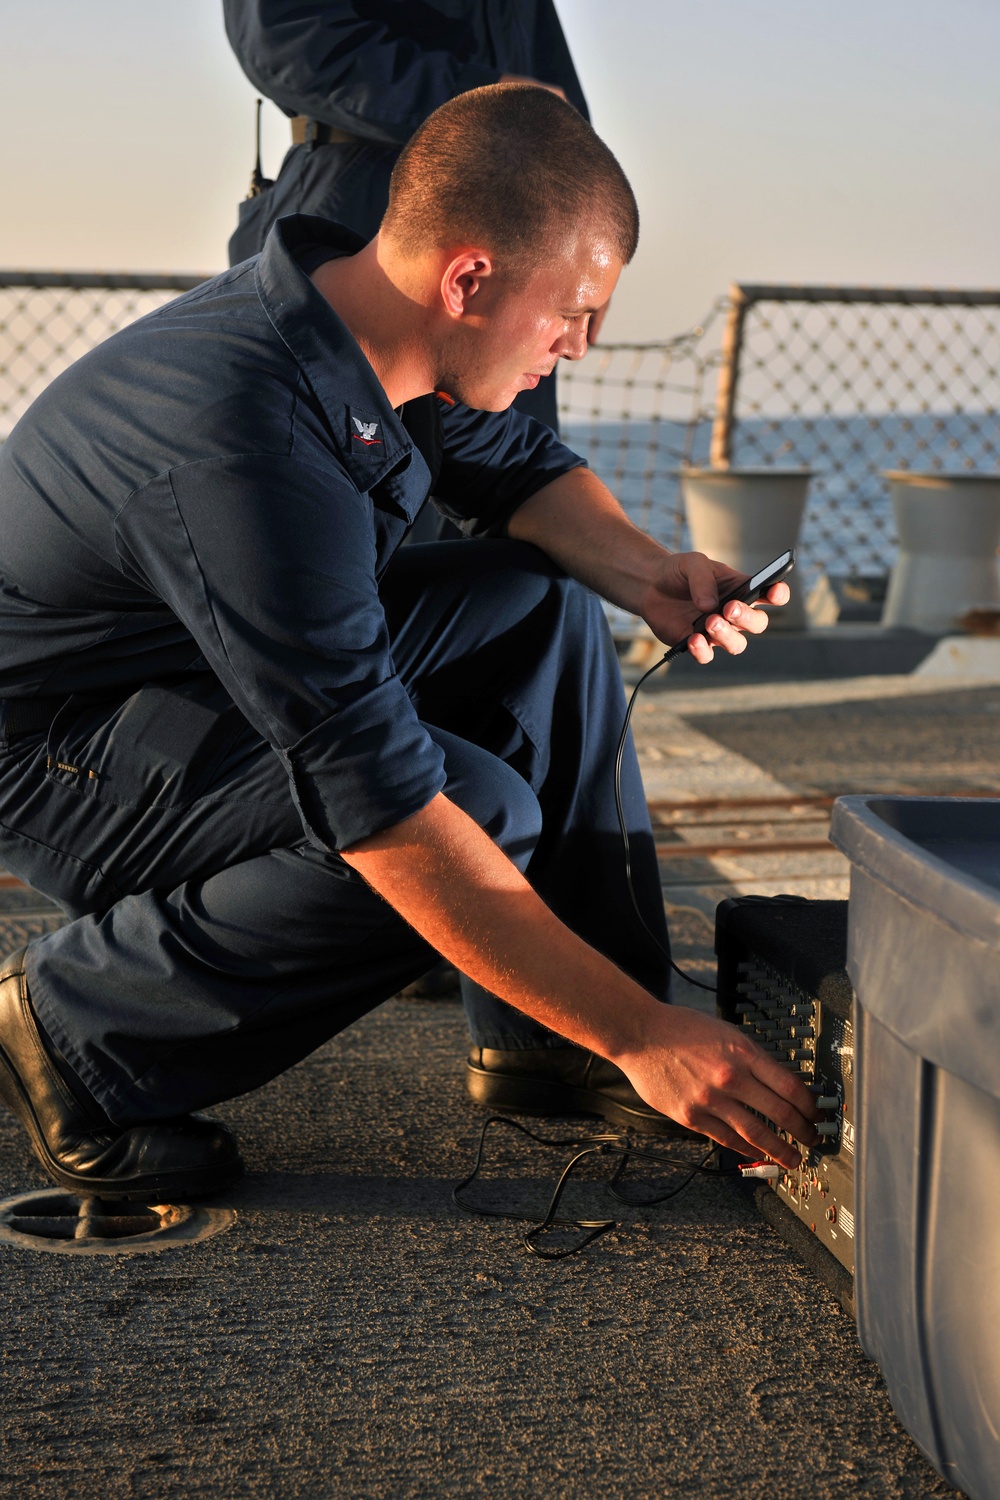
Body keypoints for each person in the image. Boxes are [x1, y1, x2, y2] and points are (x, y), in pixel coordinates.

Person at [0, 86, 815, 1202]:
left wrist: (646, 575)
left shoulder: (354, 321)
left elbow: (516, 465)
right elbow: (378, 805)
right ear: (470, 278)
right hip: (55, 760)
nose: (580, 346)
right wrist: (645, 1035)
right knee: (466, 810)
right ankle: (75, 1030)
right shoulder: (251, 445)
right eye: (573, 312)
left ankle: (552, 1046)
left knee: (545, 594)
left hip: (171, 680)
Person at [223, 0, 603, 432]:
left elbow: (551, 86)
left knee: (507, 466)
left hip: (524, 219)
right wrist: (477, 94)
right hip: (360, 196)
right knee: (318, 454)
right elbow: (285, 34)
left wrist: (589, 237)